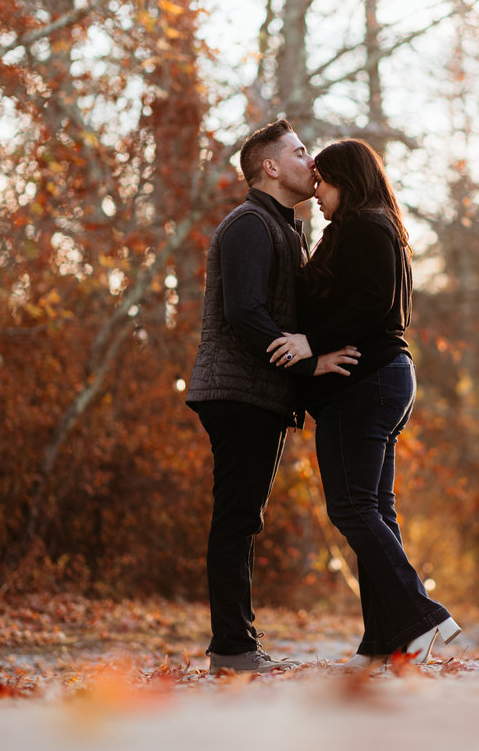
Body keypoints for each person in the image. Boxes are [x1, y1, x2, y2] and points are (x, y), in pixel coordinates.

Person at [268, 139, 460, 668]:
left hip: (366, 383)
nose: (316, 193)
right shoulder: (369, 228)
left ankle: (422, 615)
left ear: (346, 181)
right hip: (380, 382)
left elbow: (374, 304)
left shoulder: (365, 226)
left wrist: (312, 342)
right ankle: (383, 643)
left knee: (351, 507)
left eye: (322, 183)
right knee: (374, 509)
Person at [185, 119, 359, 674]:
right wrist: (309, 360)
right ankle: (232, 648)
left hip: (259, 393)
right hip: (236, 391)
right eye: (300, 152)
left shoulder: (284, 228)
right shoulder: (249, 224)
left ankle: (235, 644)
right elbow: (244, 312)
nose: (312, 161)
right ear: (270, 167)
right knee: (237, 518)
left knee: (243, 518)